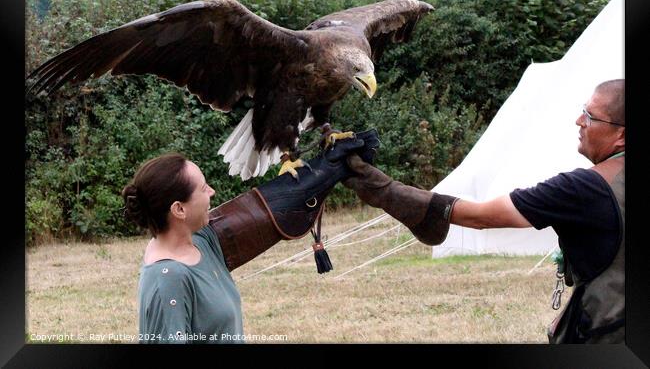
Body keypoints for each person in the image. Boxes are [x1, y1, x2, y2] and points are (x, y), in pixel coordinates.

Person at [343, 79, 625, 344]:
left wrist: (385, 190)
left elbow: (482, 216)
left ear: (621, 135)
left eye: (590, 116)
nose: (579, 121)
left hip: (606, 331)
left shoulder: (585, 188)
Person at [123, 130, 379, 343]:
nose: (211, 191)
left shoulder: (201, 241)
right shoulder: (169, 279)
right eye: (203, 188)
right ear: (179, 209)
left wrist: (328, 169)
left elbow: (264, 212)